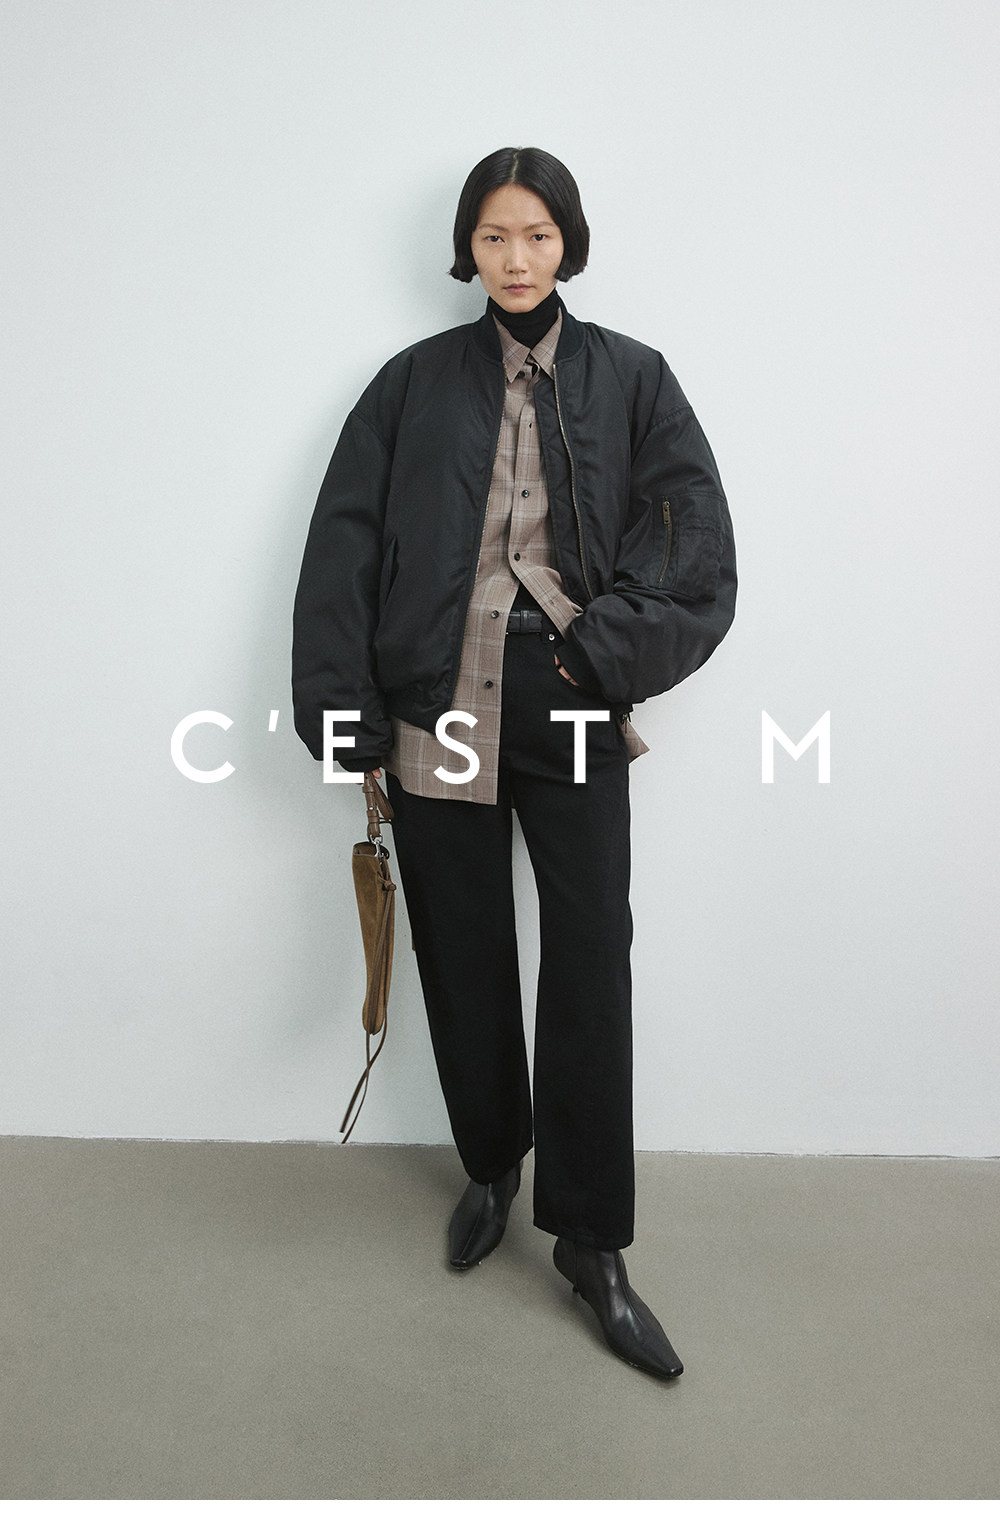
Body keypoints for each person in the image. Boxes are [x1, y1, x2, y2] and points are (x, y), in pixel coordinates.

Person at [292, 147, 736, 1381]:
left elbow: (695, 542)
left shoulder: (634, 378)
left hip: (569, 696)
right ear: (468, 248)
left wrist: (601, 653)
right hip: (434, 704)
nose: (516, 256)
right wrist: (346, 718)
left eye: (536, 234)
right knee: (464, 947)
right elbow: (342, 551)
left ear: (567, 242)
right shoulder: (410, 385)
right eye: (494, 235)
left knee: (589, 957)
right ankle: (492, 1165)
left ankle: (591, 1242)